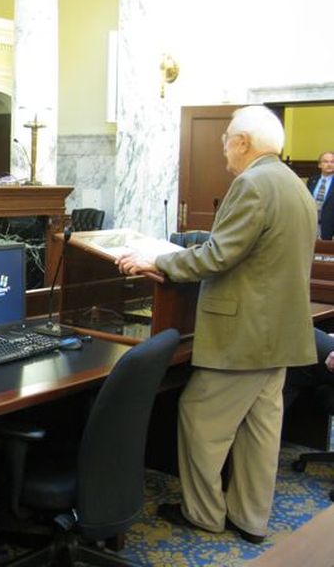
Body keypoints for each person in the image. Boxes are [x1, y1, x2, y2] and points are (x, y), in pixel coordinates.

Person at [116, 105, 317, 545]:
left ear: (243, 142)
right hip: (279, 333)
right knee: (260, 429)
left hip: (244, 335)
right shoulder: (294, 184)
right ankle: (250, 517)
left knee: (199, 416)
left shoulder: (251, 183)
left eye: (226, 137)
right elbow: (256, 252)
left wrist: (159, 260)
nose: (223, 145)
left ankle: (203, 513)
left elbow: (218, 256)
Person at [308, 151, 334, 239]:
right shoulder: (312, 180)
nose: (329, 164)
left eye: (332, 162)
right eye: (326, 161)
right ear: (319, 165)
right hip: (312, 225)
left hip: (329, 227)